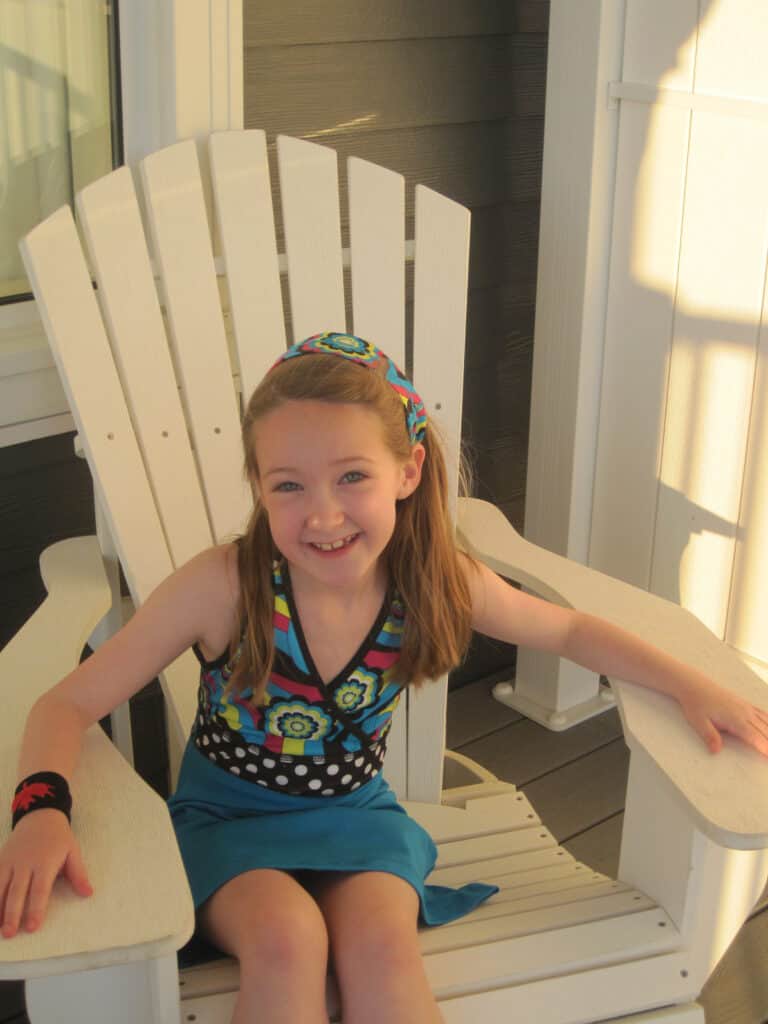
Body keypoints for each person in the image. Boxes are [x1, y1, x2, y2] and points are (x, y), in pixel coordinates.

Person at [2, 331, 767, 1024]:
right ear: (258, 486)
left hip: (359, 817)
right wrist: (41, 811)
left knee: (381, 951)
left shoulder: (430, 579)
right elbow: (67, 702)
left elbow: (566, 627)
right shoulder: (227, 588)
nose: (323, 515)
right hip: (225, 825)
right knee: (289, 942)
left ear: (409, 470)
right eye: (289, 486)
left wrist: (687, 682)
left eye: (352, 476)